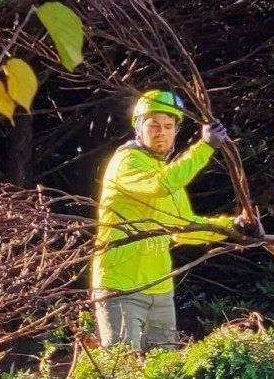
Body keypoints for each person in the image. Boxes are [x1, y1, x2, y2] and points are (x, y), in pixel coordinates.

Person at [90, 90, 241, 352]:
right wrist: (205, 147)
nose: (161, 132)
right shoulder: (126, 162)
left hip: (160, 289)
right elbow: (160, 186)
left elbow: (183, 229)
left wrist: (233, 227)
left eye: (169, 126)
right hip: (120, 287)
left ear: (176, 131)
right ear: (139, 127)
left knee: (165, 369)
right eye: (154, 125)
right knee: (120, 367)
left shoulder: (167, 172)